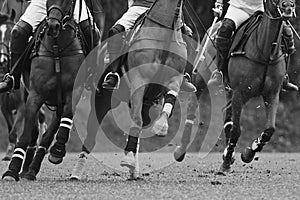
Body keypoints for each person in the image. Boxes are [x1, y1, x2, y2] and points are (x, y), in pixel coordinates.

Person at [0, 0, 101, 93]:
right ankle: (13, 78)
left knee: (92, 32)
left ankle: (93, 76)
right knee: (18, 32)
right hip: (43, 2)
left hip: (71, 2)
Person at [101, 0, 197, 92]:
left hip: (167, 11)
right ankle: (114, 73)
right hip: (141, 7)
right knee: (116, 31)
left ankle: (183, 74)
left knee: (187, 35)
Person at [208, 0, 298, 91]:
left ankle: (284, 77)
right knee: (225, 30)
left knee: (287, 34)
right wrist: (219, 3)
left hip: (263, 10)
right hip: (239, 9)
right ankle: (220, 72)